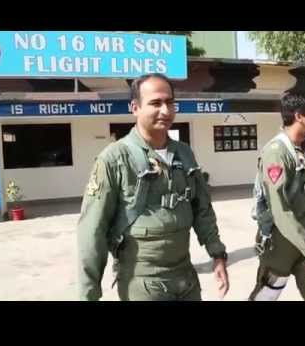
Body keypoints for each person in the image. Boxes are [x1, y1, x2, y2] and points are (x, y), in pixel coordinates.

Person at [77, 74, 229, 301]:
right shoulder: (114, 159)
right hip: (143, 282)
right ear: (135, 107)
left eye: (170, 103)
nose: (166, 111)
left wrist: (217, 254)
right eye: (156, 103)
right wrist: (88, 294)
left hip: (185, 276)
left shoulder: (184, 153)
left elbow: (202, 208)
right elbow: (92, 230)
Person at [248, 91, 305, 301]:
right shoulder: (277, 152)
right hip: (281, 244)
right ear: (299, 116)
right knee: (266, 295)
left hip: (303, 238)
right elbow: (280, 211)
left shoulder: (302, 147)